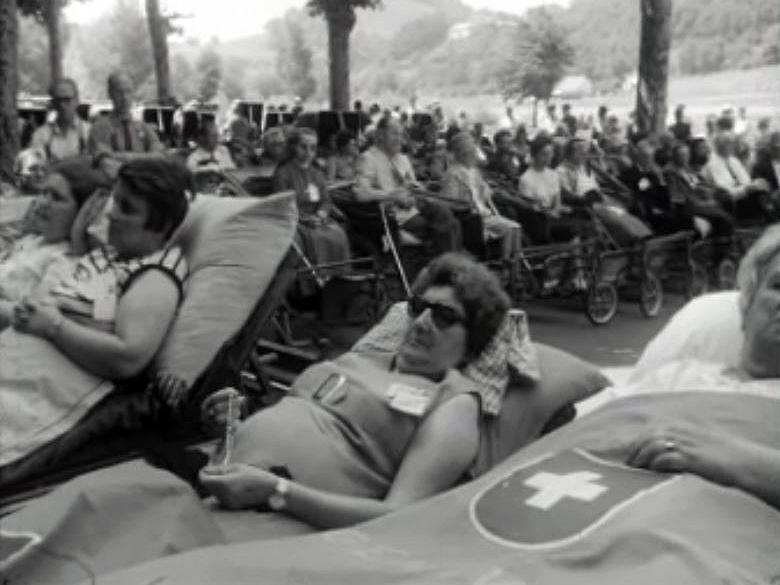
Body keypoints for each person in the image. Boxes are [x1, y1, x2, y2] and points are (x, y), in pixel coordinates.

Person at [198, 253, 511, 527]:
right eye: (418, 307)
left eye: (444, 316)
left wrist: (278, 491)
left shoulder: (453, 402)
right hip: (219, 485)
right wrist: (232, 423)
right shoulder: (361, 359)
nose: (421, 322)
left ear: (473, 345)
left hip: (279, 521)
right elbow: (304, 418)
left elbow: (398, 515)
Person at [2, 158, 191, 466]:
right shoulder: (111, 254)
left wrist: (54, 327)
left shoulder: (155, 274)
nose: (112, 214)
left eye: (127, 209)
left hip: (46, 395)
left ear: (163, 226)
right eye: (115, 202)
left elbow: (128, 358)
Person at [626, 225, 780, 510]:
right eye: (779, 286)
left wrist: (737, 459)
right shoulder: (673, 377)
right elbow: (591, 430)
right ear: (747, 306)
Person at [0, 159, 109, 329]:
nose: (42, 202)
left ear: (83, 213)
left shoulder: (66, 261)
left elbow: (31, 315)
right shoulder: (33, 240)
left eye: (57, 197)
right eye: (44, 193)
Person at [354, 117, 461, 256]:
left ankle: (448, 264)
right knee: (445, 227)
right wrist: (392, 196)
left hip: (415, 209)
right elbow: (360, 193)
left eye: (400, 134)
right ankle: (448, 266)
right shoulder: (368, 158)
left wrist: (419, 190)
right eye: (394, 133)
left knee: (448, 217)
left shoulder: (403, 159)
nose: (399, 139)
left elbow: (414, 188)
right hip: (393, 217)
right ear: (380, 134)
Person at [273, 128, 351, 291]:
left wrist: (321, 214)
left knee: (338, 233)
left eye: (313, 148)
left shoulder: (317, 173)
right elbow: (282, 203)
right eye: (304, 147)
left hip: (318, 218)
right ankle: (313, 286)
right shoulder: (283, 173)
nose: (309, 152)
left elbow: (326, 200)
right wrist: (304, 219)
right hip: (294, 220)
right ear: (293, 147)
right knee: (314, 238)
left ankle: (337, 282)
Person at [440, 132, 522, 263]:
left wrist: (485, 190)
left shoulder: (474, 171)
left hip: (482, 213)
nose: (474, 155)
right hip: (470, 216)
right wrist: (465, 198)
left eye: (473, 151)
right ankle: (506, 264)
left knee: (515, 228)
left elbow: (485, 195)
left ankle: (511, 266)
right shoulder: (452, 174)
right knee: (511, 228)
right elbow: (449, 201)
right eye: (471, 152)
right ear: (462, 153)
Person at [88, 72, 164, 179]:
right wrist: (144, 160)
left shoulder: (143, 127)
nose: (124, 98)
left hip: (145, 185)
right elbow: (104, 162)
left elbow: (159, 157)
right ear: (110, 94)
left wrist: (119, 156)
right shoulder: (99, 128)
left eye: (128, 91)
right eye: (119, 92)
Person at [664, 142, 734, 238]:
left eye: (687, 154)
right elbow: (679, 195)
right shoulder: (671, 171)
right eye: (682, 155)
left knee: (726, 199)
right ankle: (721, 244)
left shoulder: (688, 168)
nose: (686, 157)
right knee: (721, 217)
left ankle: (726, 239)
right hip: (689, 205)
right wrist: (703, 202)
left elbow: (700, 182)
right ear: (675, 156)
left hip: (700, 199)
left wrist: (713, 190)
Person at [30, 78, 90, 163]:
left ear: (77, 100)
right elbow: (36, 166)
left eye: (67, 99)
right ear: (53, 103)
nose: (62, 105)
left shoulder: (88, 132)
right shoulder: (41, 135)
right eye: (58, 100)